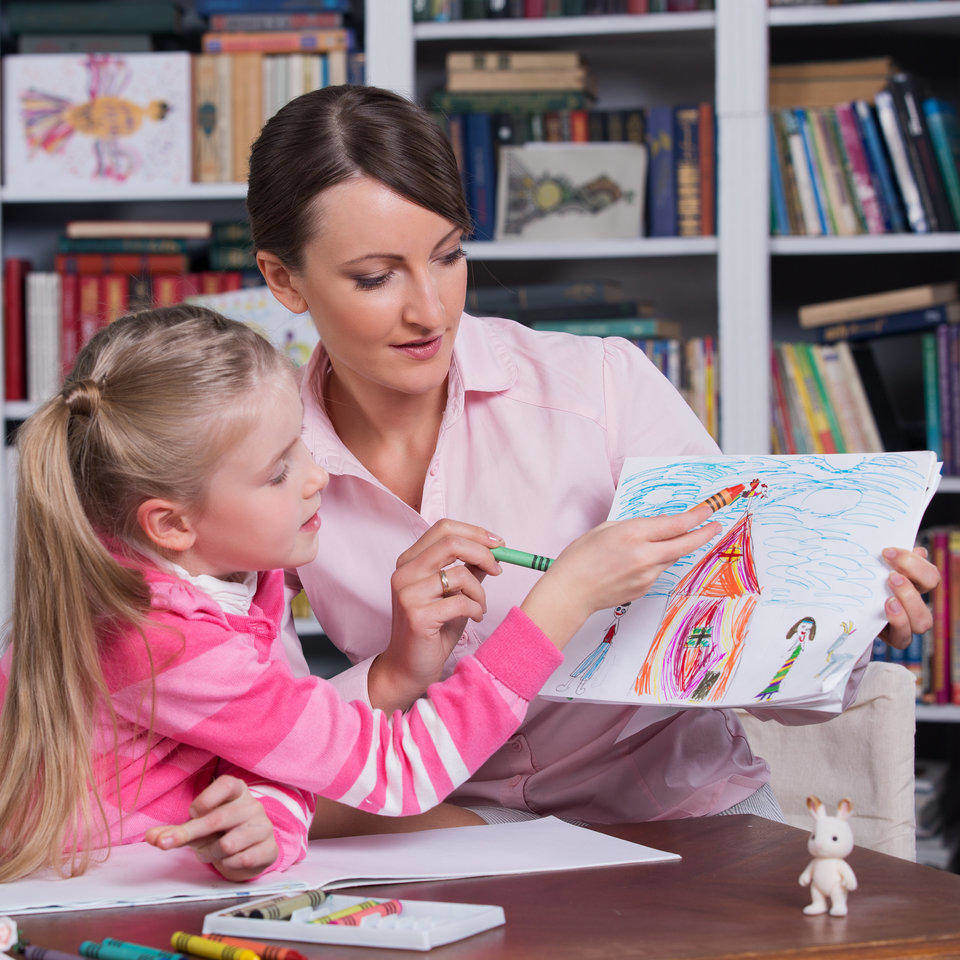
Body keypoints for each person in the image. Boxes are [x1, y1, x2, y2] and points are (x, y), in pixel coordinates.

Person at [250, 84, 941, 829]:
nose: (432, 309)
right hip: (448, 824)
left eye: (448, 256)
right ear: (284, 279)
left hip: (679, 817)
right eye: (376, 277)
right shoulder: (257, 457)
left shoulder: (598, 387)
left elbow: (743, 649)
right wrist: (393, 672)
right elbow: (263, 739)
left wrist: (841, 626)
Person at [0, 306, 718, 883]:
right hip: (76, 897)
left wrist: (272, 821)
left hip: (145, 882)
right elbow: (397, 772)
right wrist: (562, 601)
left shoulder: (233, 578)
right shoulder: (160, 637)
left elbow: (270, 750)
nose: (316, 477)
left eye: (301, 446)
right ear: (173, 523)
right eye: (279, 471)